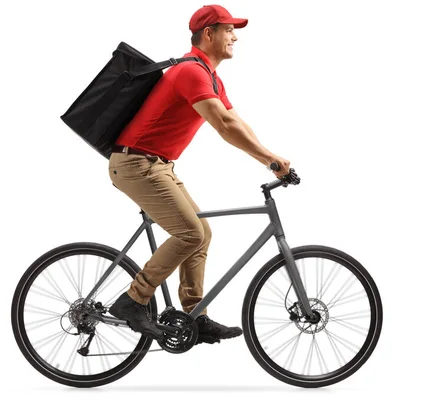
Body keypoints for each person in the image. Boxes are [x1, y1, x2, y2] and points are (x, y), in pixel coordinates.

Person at [108, 4, 291, 344]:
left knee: (200, 233)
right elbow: (222, 125)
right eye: (229, 30)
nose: (235, 36)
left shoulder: (209, 76)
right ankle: (133, 300)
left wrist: (270, 156)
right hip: (136, 164)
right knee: (190, 232)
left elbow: (235, 121)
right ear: (209, 34)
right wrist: (268, 159)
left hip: (156, 164)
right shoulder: (192, 72)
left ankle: (194, 315)